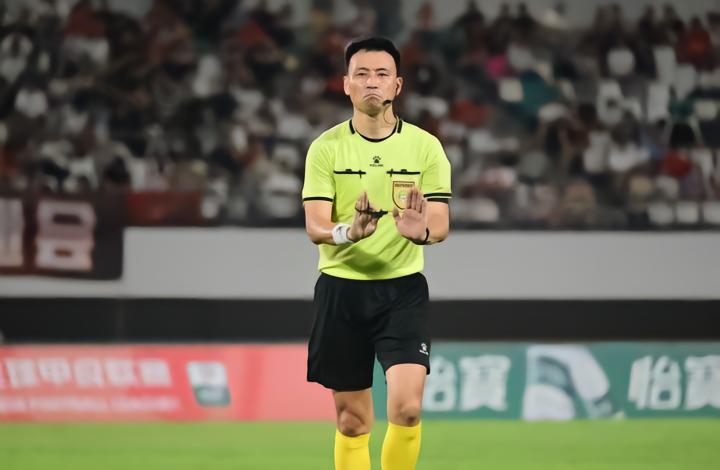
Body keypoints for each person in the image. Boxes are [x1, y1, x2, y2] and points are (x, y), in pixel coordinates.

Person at [302, 37, 451, 470]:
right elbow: (315, 225)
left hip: (402, 291)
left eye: (382, 74)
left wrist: (422, 232)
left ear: (397, 85)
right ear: (346, 84)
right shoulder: (326, 148)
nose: (372, 82)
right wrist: (350, 232)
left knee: (408, 410)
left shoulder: (425, 147)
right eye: (362, 74)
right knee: (352, 422)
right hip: (341, 291)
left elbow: (440, 223)